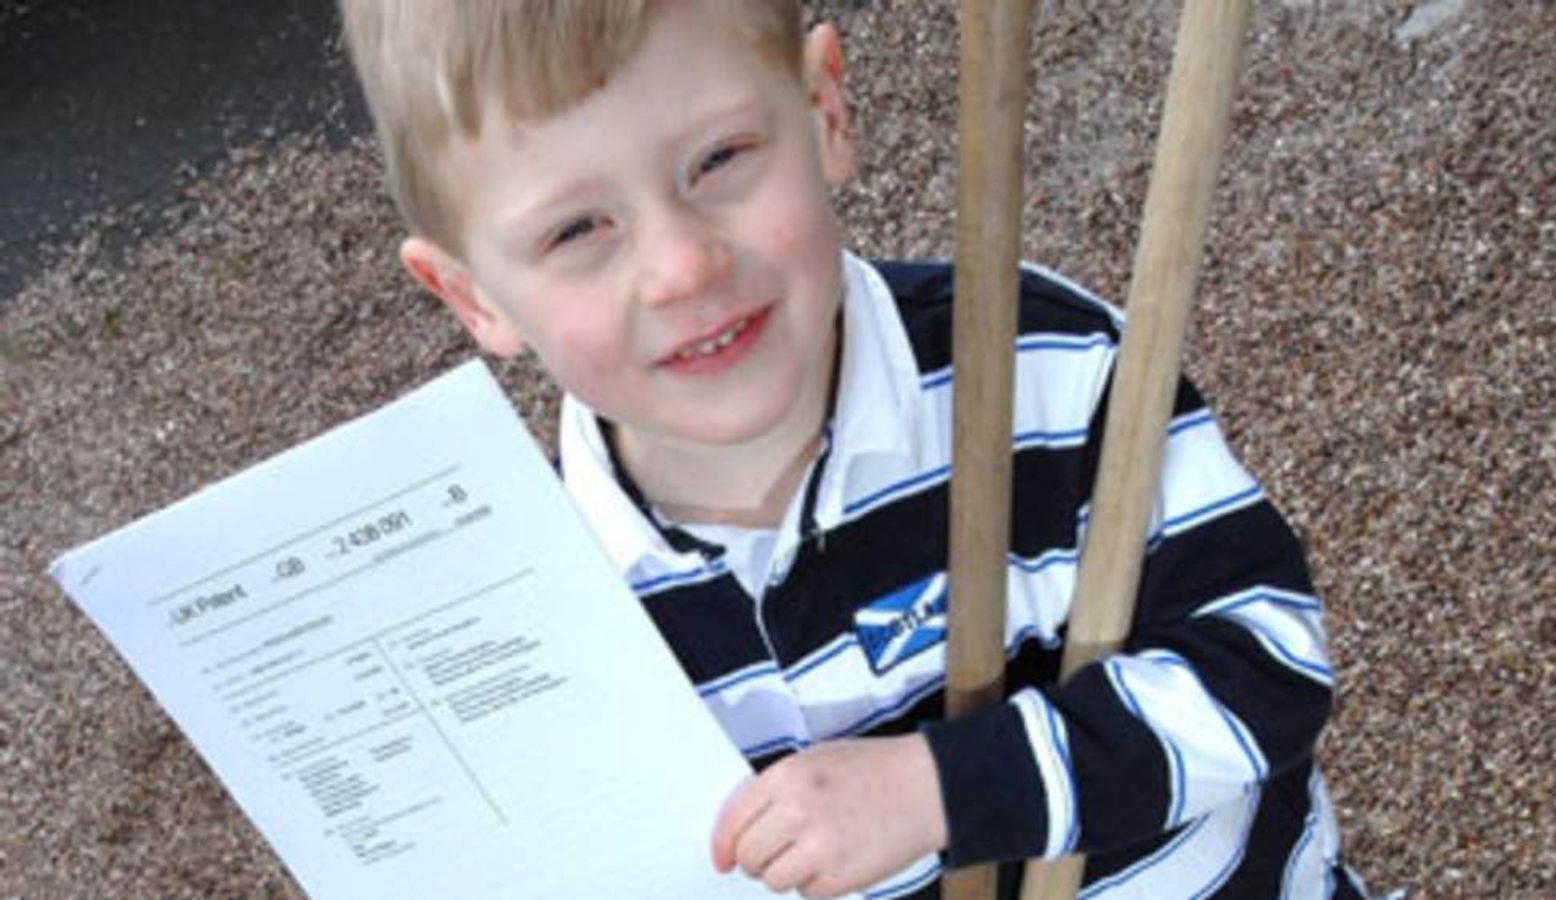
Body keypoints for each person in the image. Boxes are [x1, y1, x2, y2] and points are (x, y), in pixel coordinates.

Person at [338, 1, 1367, 897]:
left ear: (824, 109)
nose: (681, 265)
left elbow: (1266, 663)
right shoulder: (541, 610)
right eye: (576, 232)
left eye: (718, 160)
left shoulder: (1041, 373)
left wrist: (943, 791)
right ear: (471, 295)